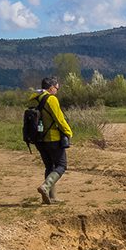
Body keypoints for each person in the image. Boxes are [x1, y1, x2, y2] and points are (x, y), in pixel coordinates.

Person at [28, 76, 73, 204]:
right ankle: (45, 187)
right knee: (61, 165)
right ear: (51, 87)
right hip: (52, 138)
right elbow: (59, 119)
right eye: (57, 87)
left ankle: (50, 198)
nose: (57, 90)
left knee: (49, 166)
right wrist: (68, 132)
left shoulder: (33, 99)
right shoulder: (51, 99)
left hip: (38, 139)